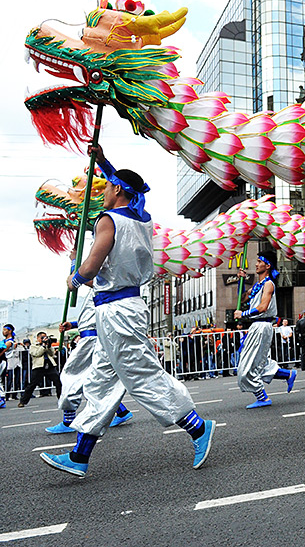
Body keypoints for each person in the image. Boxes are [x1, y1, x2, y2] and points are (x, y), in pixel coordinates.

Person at [41, 147, 214, 478]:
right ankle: (80, 455)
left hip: (118, 310)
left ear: (118, 189)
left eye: (107, 186)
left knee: (143, 375)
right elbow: (122, 185)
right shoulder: (142, 218)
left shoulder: (108, 220)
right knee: (101, 380)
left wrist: (74, 278)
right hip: (120, 308)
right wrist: (105, 160)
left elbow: (90, 268)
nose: (103, 191)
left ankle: (197, 427)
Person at [44, 278, 133, 433]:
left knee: (71, 376)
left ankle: (68, 421)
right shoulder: (102, 288)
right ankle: (122, 411)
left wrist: (74, 263)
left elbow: (82, 277)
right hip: (92, 338)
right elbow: (92, 315)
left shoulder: (105, 282)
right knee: (95, 379)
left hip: (91, 340)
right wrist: (73, 325)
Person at [233, 251, 297, 409]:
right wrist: (241, 281)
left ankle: (262, 397)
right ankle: (287, 374)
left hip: (262, 325)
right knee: (257, 363)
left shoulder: (269, 284)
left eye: (259, 261)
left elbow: (262, 307)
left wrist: (243, 314)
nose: (256, 264)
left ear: (267, 265)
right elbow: (242, 298)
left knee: (246, 366)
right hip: (257, 326)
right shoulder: (257, 285)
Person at [17, 332, 62, 408]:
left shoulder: (47, 345)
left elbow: (52, 353)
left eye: (45, 337)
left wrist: (49, 345)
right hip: (39, 367)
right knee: (32, 385)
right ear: (38, 338)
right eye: (42, 338)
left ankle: (61, 399)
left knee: (58, 382)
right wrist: (43, 346)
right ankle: (23, 401)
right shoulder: (34, 346)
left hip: (50, 365)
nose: (43, 339)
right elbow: (37, 353)